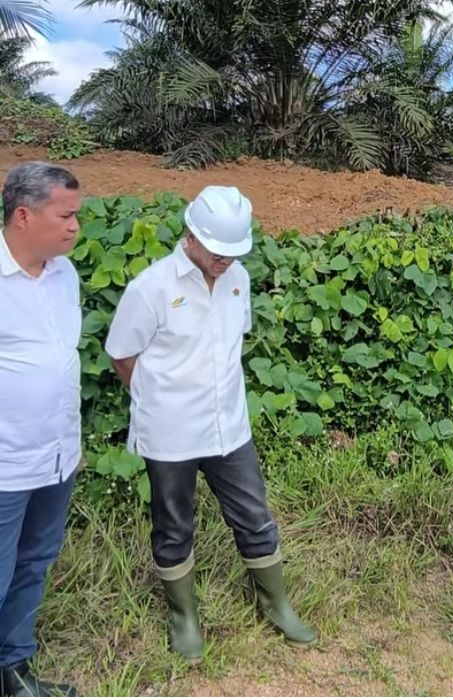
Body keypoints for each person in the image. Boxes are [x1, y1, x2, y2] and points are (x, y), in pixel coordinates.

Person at [104, 185, 316, 663]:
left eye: (233, 251)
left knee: (254, 516)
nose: (225, 260)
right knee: (174, 525)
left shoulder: (237, 278)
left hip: (229, 428)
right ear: (191, 235)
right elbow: (121, 354)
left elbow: (229, 343)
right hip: (171, 433)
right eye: (217, 250)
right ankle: (184, 618)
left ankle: (276, 604)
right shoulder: (152, 289)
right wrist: (159, 399)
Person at [0, 162, 83, 697]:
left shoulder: (64, 275)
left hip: (55, 457)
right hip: (4, 464)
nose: (75, 226)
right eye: (65, 215)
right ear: (24, 216)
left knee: (33, 564)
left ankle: (13, 668)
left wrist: (69, 442)